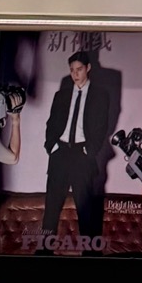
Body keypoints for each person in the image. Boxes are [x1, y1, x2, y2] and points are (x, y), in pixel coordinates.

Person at [42, 51, 113, 245]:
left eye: (79, 69)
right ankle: (43, 253)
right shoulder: (61, 95)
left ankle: (89, 255)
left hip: (82, 155)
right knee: (51, 208)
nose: (75, 74)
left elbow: (102, 126)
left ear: (88, 68)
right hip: (60, 154)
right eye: (72, 70)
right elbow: (51, 123)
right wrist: (51, 146)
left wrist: (90, 150)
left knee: (85, 210)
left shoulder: (100, 95)